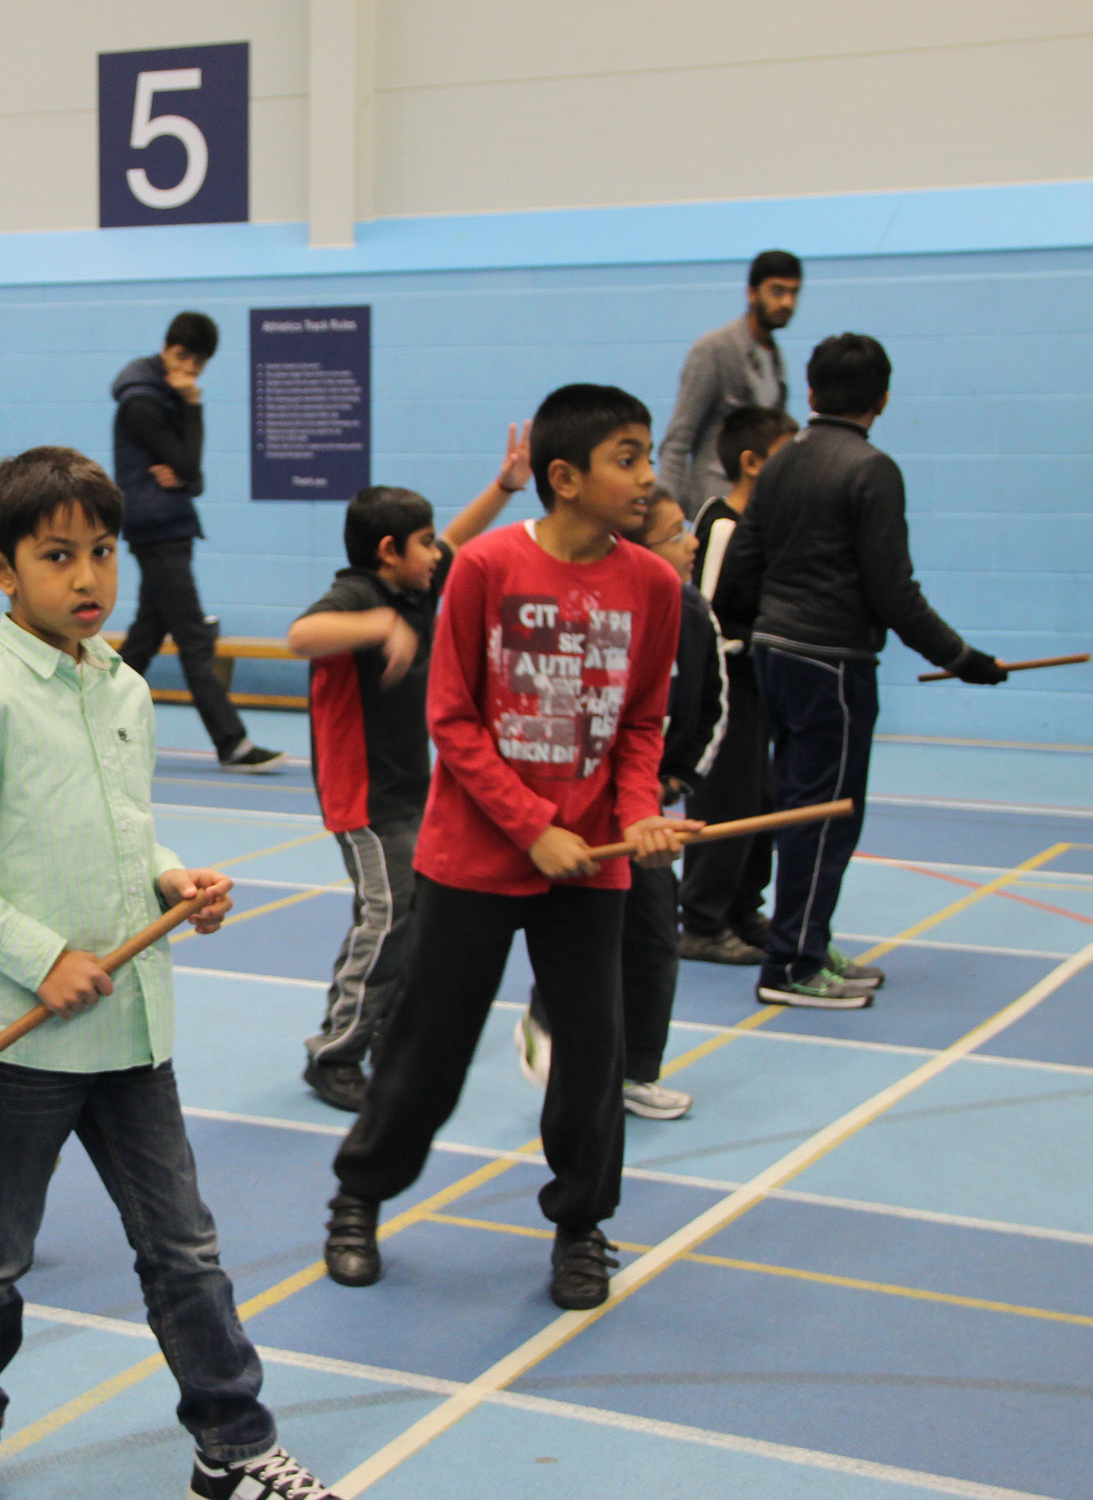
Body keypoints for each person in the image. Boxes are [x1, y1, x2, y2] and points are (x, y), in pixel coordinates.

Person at [0, 448, 337, 1500]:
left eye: (102, 552)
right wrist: (40, 958)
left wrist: (172, 877)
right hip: (28, 1047)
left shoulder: (125, 687)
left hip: (133, 1033)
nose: (88, 577)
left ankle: (233, 1445)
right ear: (2, 569)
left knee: (184, 1251)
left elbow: (122, 831)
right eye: (58, 557)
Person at [321, 385, 693, 1314]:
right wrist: (534, 828)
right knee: (427, 1049)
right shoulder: (487, 567)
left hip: (593, 864)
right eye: (627, 458)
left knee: (591, 1056)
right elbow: (453, 719)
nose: (647, 478)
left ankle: (581, 1226)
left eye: (647, 456)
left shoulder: (655, 586)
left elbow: (641, 725)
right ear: (565, 477)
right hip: (474, 857)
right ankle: (359, 1197)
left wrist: (638, 815)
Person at [714, 333, 1008, 1009]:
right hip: (831, 666)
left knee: (801, 807)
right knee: (826, 815)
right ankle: (792, 965)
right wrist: (963, 660)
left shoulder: (781, 464)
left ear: (812, 392)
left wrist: (770, 628)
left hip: (777, 656)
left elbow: (742, 567)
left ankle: (805, 941)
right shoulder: (872, 470)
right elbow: (893, 592)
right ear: (884, 398)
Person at [289, 427, 534, 1112]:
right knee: (388, 914)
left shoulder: (416, 586)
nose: (437, 554)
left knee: (418, 914)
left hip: (410, 792)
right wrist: (379, 627)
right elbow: (302, 635)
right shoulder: (355, 594)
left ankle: (384, 1034)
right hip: (364, 800)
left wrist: (505, 487)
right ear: (388, 551)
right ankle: (335, 1052)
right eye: (423, 544)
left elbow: (458, 536)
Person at [514, 489, 725, 1123]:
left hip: (646, 814)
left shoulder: (693, 613)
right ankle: (545, 1018)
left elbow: (710, 709)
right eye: (675, 534)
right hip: (575, 810)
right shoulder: (582, 609)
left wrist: (672, 784)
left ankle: (636, 1071)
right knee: (576, 932)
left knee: (654, 937)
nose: (691, 542)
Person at [112, 311, 286, 772]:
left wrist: (186, 476)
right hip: (158, 527)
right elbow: (189, 466)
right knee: (193, 636)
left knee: (145, 637)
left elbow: (193, 475)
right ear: (167, 349)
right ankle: (233, 744)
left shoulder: (161, 394)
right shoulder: (143, 401)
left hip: (167, 524)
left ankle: (82, 715)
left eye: (199, 363)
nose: (189, 370)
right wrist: (193, 404)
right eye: (183, 357)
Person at [678, 405, 796, 963]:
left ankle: (743, 908)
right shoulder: (723, 525)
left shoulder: (763, 526)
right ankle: (702, 920)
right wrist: (756, 641)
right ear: (751, 463)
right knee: (726, 803)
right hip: (726, 690)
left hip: (757, 687)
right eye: (785, 457)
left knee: (760, 800)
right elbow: (705, 613)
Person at [659, 250, 801, 516]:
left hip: (757, 505)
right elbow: (678, 438)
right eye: (777, 291)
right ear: (752, 293)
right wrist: (664, 512)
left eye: (794, 293)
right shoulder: (714, 349)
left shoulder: (775, 356)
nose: (787, 302)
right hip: (715, 500)